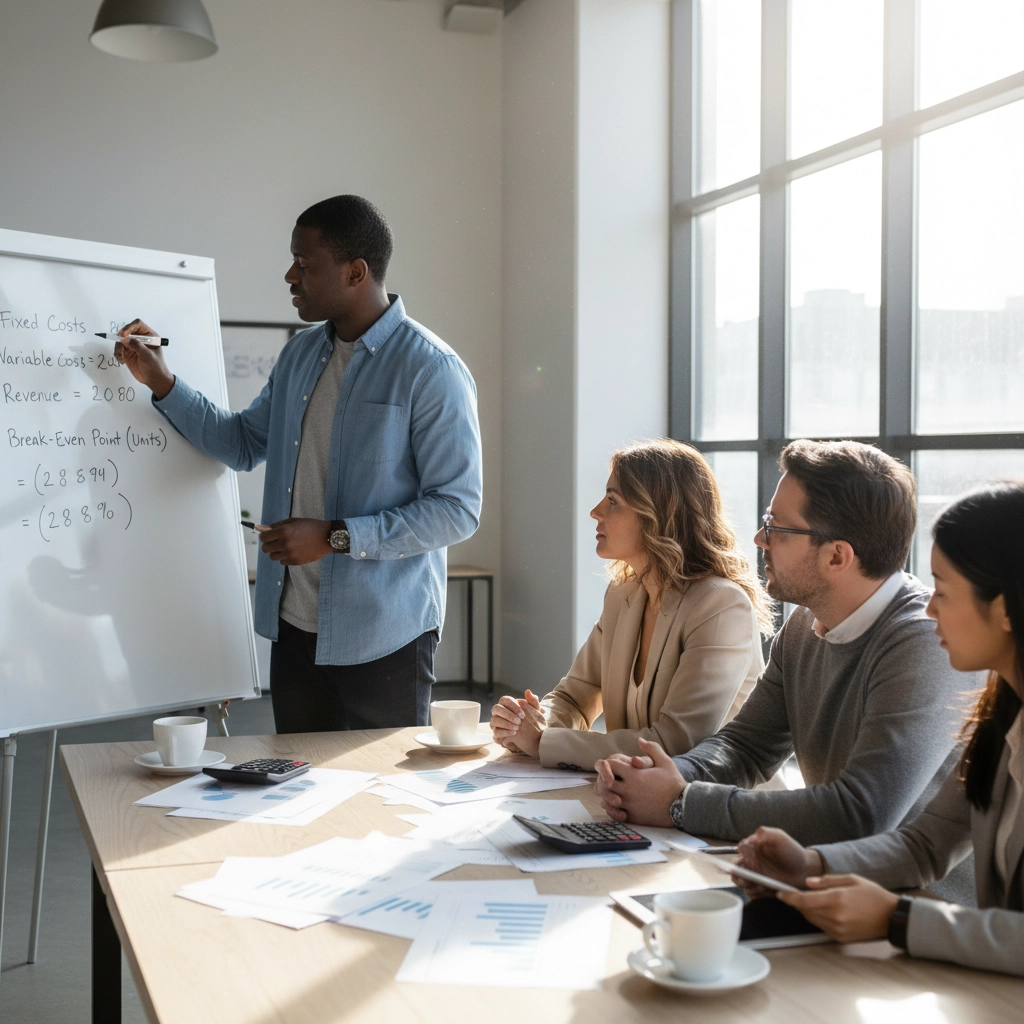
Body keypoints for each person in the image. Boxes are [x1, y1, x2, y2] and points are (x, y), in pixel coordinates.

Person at [115, 194, 482, 733]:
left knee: (381, 803)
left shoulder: (432, 370)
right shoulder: (300, 355)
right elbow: (241, 443)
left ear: (356, 272)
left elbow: (457, 510)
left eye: (305, 264)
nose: (290, 275)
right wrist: (161, 380)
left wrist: (334, 536)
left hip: (385, 638)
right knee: (296, 796)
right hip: (293, 630)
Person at [595, 440, 980, 886]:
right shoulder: (804, 626)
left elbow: (859, 813)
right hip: (830, 893)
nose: (760, 539)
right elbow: (746, 746)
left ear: (837, 555)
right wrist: (659, 777)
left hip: (918, 917)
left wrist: (681, 801)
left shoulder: (925, 642)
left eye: (776, 527)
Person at [733, 482, 1024, 977]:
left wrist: (898, 918)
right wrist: (811, 866)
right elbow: (926, 844)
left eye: (945, 592)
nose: (931, 607)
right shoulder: (1000, 715)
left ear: (1003, 610)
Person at [490, 439, 773, 770]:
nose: (596, 511)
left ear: (658, 515)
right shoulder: (623, 594)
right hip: (634, 798)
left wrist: (542, 741)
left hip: (713, 810)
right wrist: (531, 720)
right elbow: (575, 697)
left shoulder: (721, 606)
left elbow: (677, 743)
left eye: (613, 501)